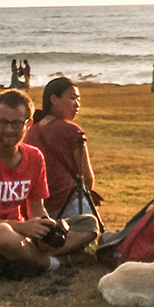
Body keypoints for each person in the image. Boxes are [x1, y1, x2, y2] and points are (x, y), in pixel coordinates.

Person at [0, 89, 98, 281]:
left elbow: (36, 209)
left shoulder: (34, 157)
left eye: (16, 123)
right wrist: (22, 228)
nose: (8, 129)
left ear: (28, 124)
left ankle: (26, 258)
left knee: (88, 223)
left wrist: (47, 227)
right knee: (0, 233)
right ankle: (51, 263)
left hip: (23, 237)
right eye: (3, 122)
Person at [27, 76, 102, 219]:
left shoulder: (31, 131)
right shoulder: (71, 131)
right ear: (54, 99)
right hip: (69, 203)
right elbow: (87, 178)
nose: (77, 104)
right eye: (72, 98)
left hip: (39, 208)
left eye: (78, 99)